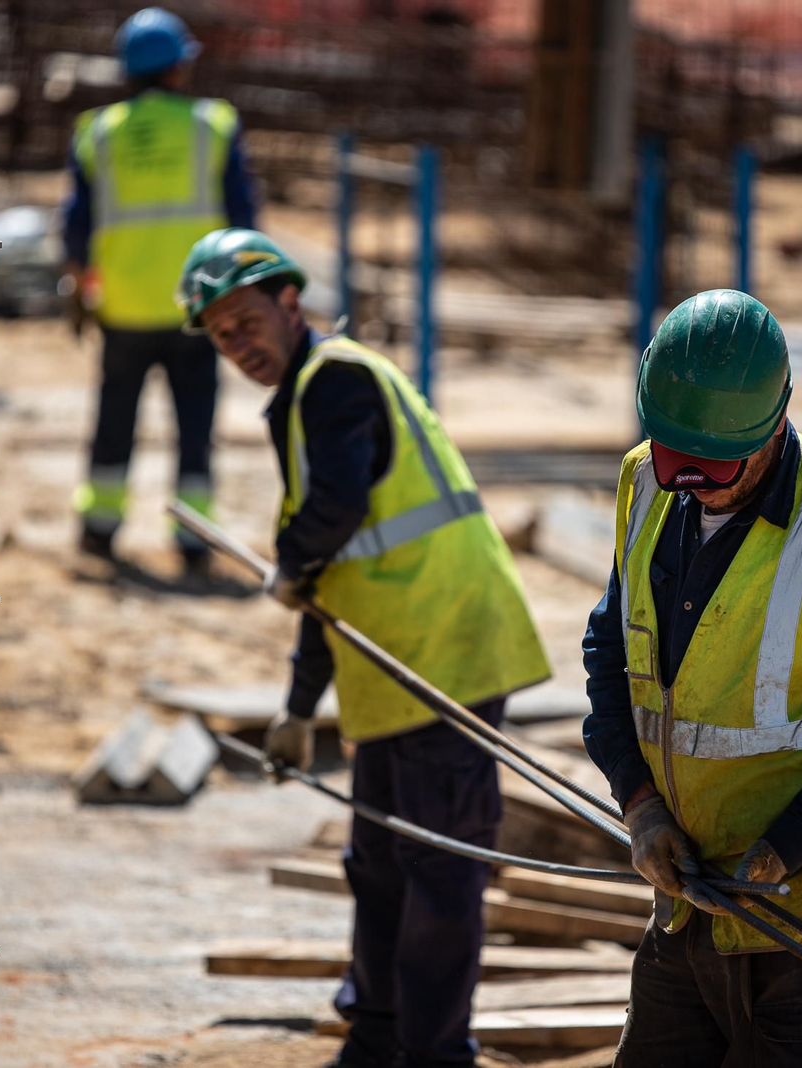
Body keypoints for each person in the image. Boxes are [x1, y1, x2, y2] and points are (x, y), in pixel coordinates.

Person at [177, 227, 552, 1068]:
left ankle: (434, 1052)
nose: (239, 345)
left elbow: (330, 523)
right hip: (397, 658)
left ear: (289, 300)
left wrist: (289, 561)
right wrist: (299, 708)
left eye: (246, 321)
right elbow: (330, 580)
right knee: (378, 858)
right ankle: (377, 1035)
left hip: (447, 649)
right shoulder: (309, 397)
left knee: (438, 866)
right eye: (221, 335)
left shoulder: (336, 381)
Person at [581, 290, 802, 1066]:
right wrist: (640, 807)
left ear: (774, 424)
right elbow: (611, 654)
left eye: (709, 469)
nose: (686, 486)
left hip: (796, 906)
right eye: (675, 460)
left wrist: (791, 843)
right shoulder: (645, 483)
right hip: (686, 889)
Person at [62, 7, 259, 568]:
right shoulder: (213, 124)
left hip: (122, 304)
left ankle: (99, 528)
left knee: (114, 418)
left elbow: (75, 225)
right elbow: (244, 217)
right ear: (177, 68)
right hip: (199, 305)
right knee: (195, 423)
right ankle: (194, 540)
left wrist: (77, 286)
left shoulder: (98, 132)